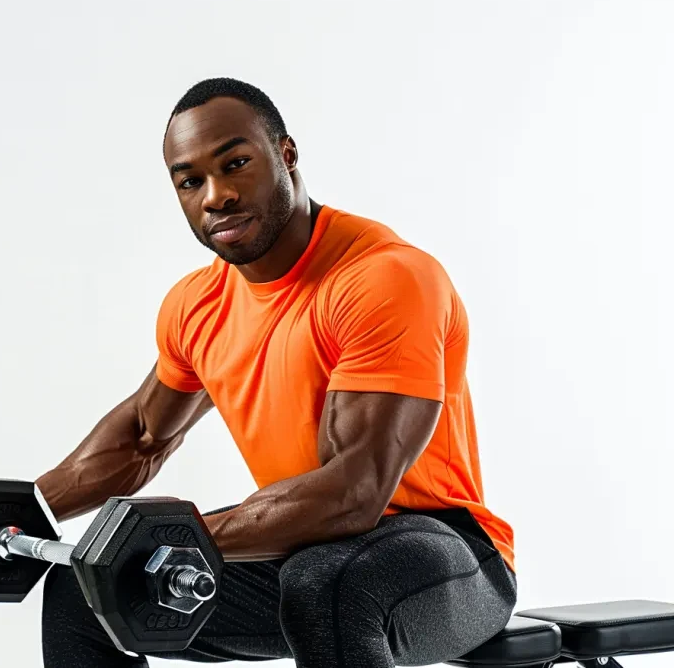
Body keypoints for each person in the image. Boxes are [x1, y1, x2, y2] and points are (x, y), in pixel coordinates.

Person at [33, 78, 517, 667]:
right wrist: (25, 508)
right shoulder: (195, 305)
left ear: (285, 155)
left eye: (236, 164)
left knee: (328, 584)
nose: (216, 196)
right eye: (191, 181)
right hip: (299, 556)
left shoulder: (384, 278)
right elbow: (140, 437)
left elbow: (354, 492)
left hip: (448, 556)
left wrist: (173, 539)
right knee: (88, 590)